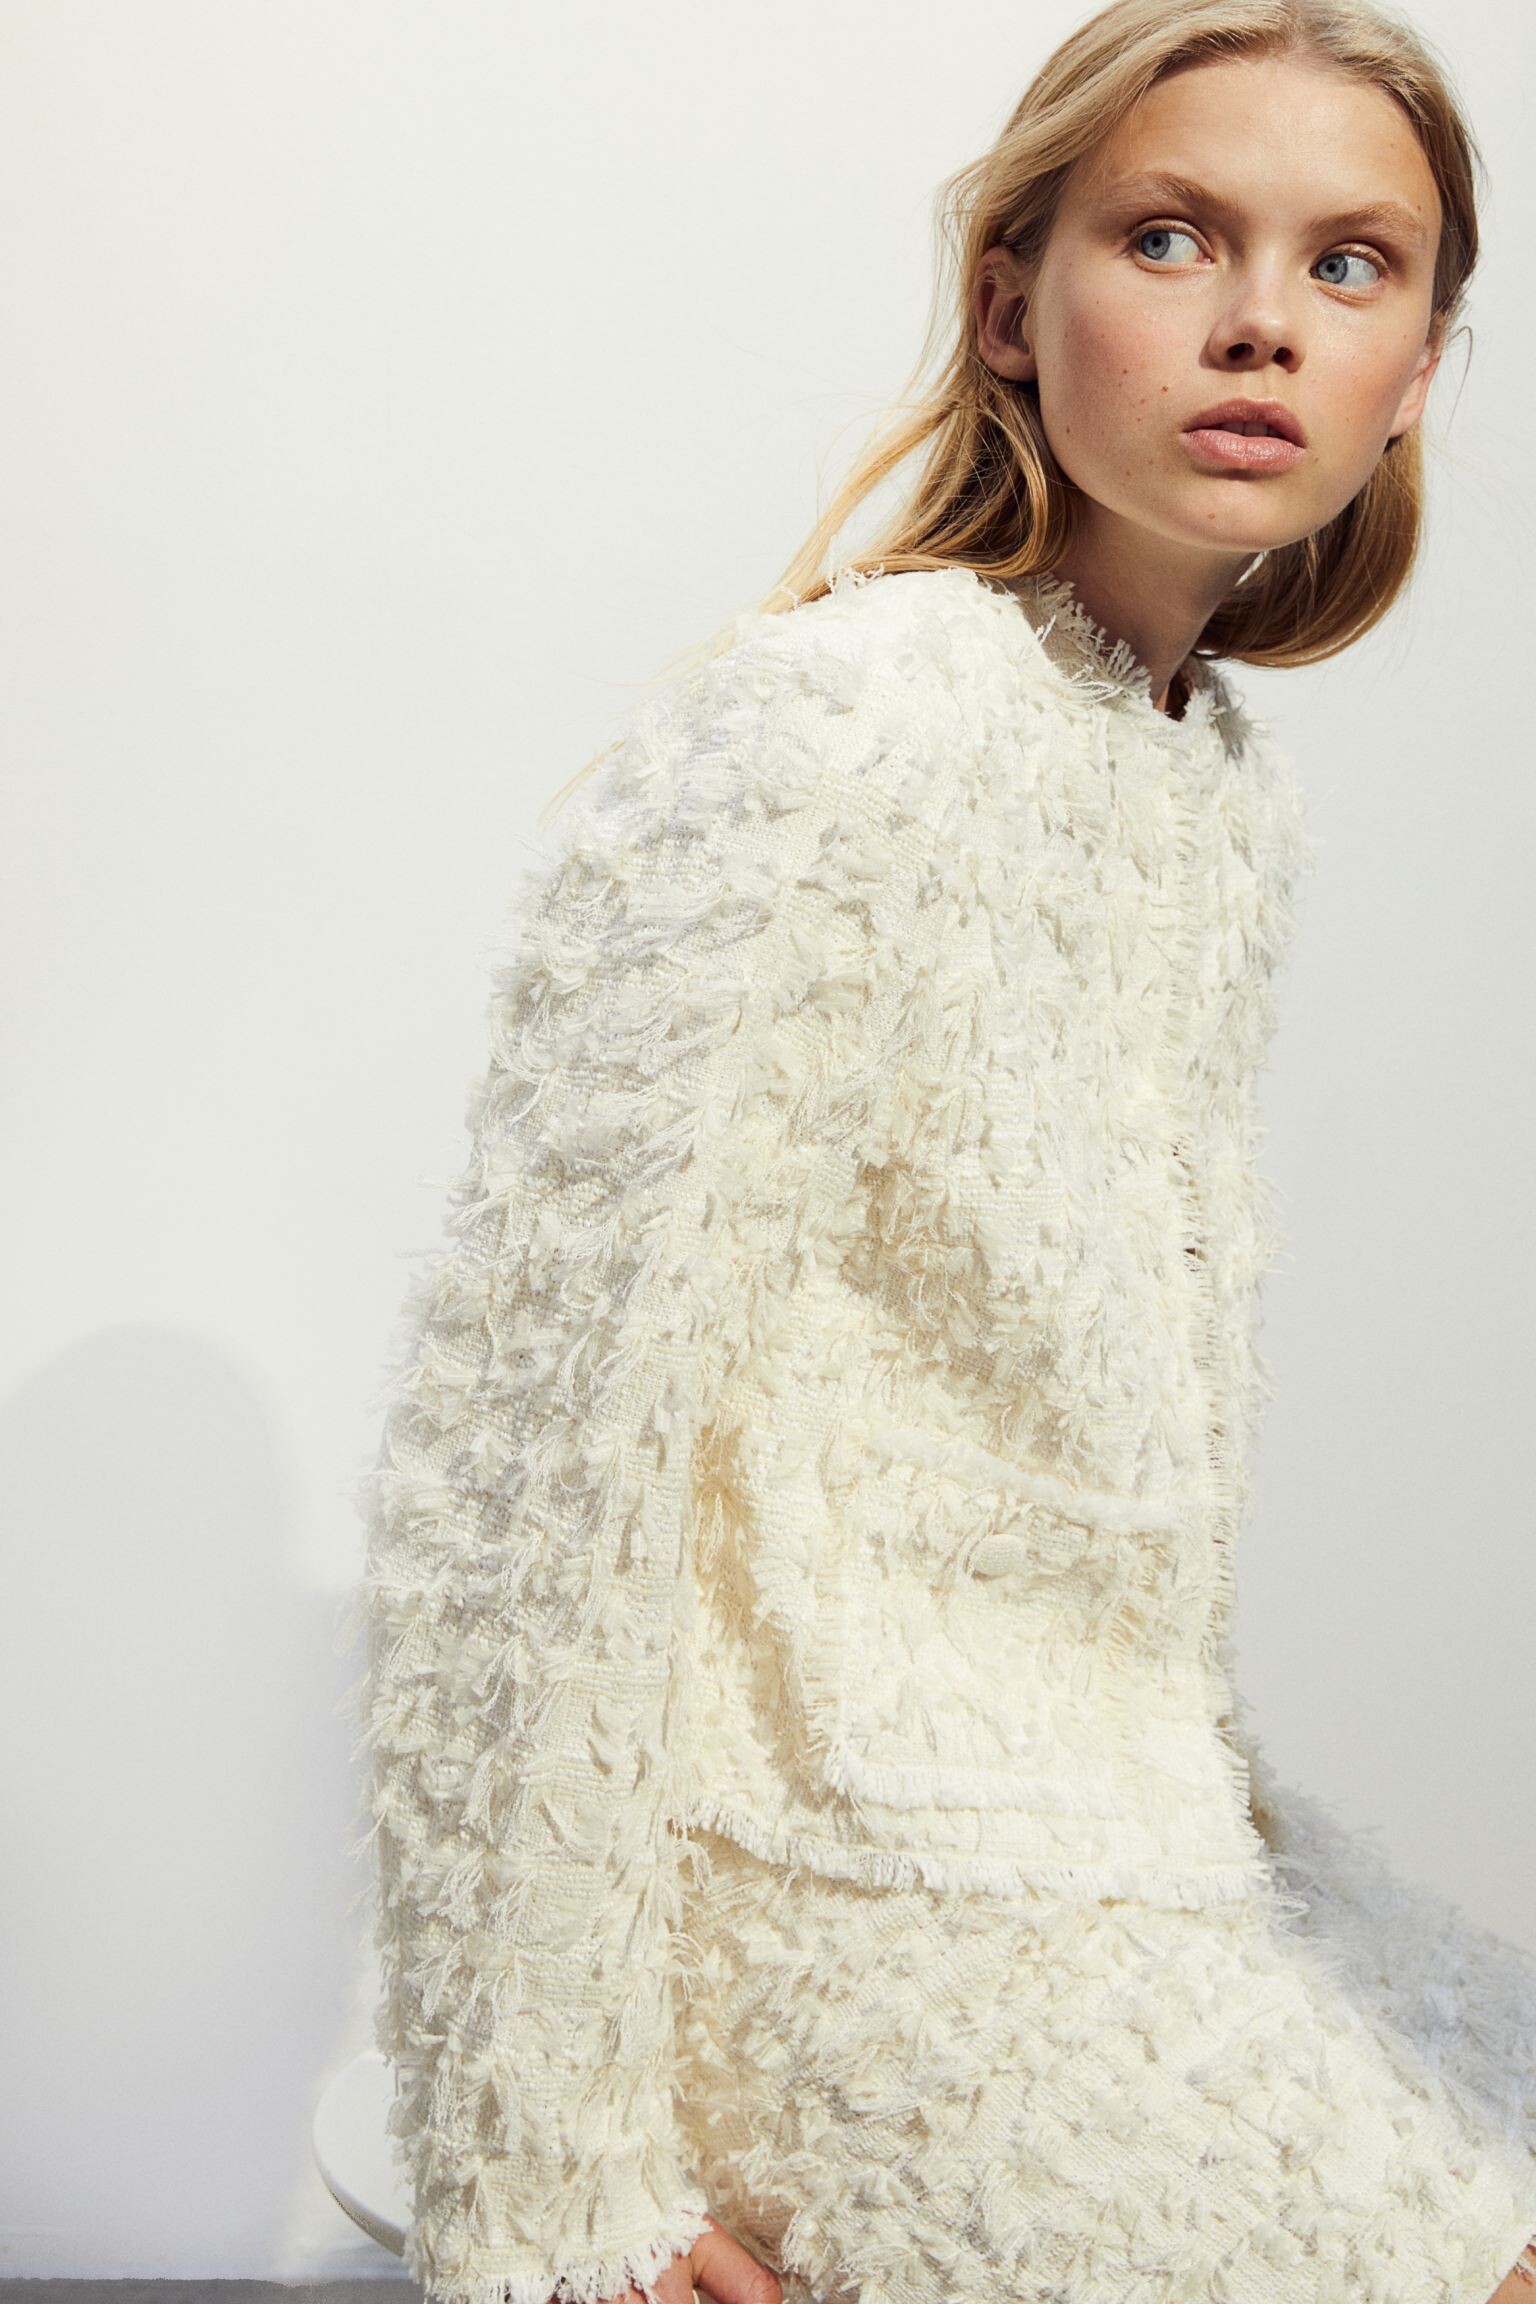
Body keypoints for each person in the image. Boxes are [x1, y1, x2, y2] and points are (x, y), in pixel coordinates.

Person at [343, 2, 1536, 2299]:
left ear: (1417, 367)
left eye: (1352, 264)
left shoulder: (1213, 784)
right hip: (824, 1885)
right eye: (1171, 236)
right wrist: (549, 2182)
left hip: (1128, 1834)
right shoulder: (840, 731)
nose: (1262, 321)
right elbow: (525, 1474)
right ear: (1009, 305)